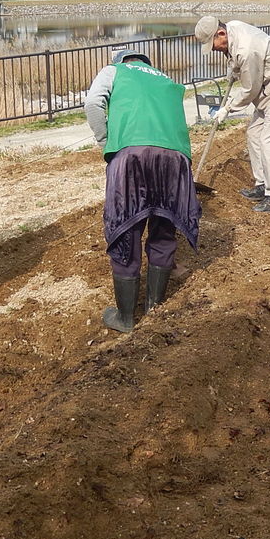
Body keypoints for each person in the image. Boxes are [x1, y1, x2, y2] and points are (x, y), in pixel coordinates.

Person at [84, 49, 202, 333]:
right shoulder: (167, 80)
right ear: (146, 63)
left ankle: (125, 318)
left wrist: (106, 141)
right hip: (175, 157)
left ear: (122, 60)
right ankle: (153, 309)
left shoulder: (115, 71)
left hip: (132, 154)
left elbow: (92, 104)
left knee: (127, 226)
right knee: (164, 225)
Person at [195, 16, 270, 213]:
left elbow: (250, 88)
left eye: (213, 44)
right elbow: (235, 58)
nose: (214, 49)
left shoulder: (247, 49)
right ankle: (262, 185)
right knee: (254, 135)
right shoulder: (233, 28)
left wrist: (228, 108)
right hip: (265, 92)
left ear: (221, 33)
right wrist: (233, 69)